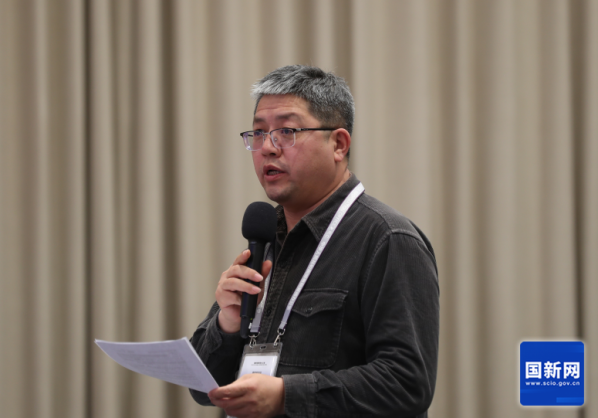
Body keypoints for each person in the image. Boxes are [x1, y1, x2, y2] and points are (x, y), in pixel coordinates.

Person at [189, 65, 439, 418]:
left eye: (287, 131)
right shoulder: (265, 244)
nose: (268, 148)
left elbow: (407, 383)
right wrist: (227, 325)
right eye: (259, 133)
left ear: (338, 144)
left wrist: (286, 395)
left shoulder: (388, 240)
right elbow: (203, 390)